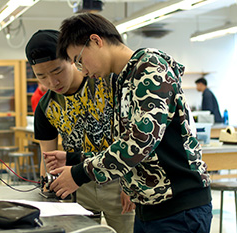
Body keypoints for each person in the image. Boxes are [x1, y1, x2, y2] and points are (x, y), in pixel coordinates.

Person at [45, 13, 212, 233]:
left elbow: (140, 142)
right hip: (149, 210)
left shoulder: (150, 67)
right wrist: (75, 158)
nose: (83, 71)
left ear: (96, 40)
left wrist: (79, 174)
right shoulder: (121, 82)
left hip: (178, 209)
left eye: (79, 60)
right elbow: (122, 144)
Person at [25, 29, 135, 233]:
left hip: (119, 182)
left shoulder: (103, 80)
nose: (52, 82)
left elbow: (133, 138)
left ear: (71, 59)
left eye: (57, 71)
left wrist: (132, 183)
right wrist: (47, 188)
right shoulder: (46, 107)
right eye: (42, 76)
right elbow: (47, 158)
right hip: (77, 183)